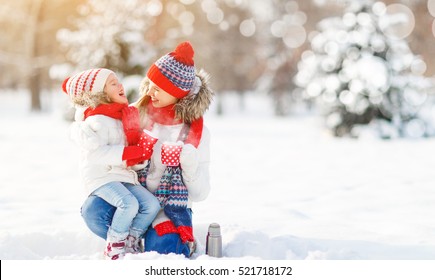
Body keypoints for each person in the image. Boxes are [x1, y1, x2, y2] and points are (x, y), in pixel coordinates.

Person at [80, 42, 214, 258]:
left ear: (177, 92)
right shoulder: (133, 115)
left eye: (158, 88)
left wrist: (188, 164)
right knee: (94, 212)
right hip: (132, 197)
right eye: (150, 83)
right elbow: (100, 134)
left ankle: (173, 242)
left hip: (169, 208)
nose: (149, 91)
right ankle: (128, 240)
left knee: (164, 248)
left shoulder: (196, 134)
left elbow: (201, 193)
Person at [63, 68, 161, 260]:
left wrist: (139, 158)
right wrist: (128, 153)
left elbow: (126, 157)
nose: (120, 85)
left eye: (119, 81)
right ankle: (114, 245)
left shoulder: (121, 118)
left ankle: (131, 240)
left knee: (151, 203)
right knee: (128, 204)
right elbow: (95, 154)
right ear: (99, 92)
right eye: (113, 83)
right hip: (101, 177)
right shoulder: (96, 120)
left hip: (123, 175)